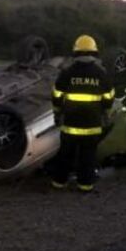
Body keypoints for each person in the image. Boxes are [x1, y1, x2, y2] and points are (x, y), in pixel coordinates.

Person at [50, 34, 115, 192]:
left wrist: (58, 113)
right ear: (94, 53)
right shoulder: (101, 73)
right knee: (88, 156)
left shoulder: (67, 72)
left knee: (65, 154)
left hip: (70, 124)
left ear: (76, 53)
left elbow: (57, 95)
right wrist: (105, 112)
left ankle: (59, 183)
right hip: (92, 124)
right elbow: (109, 96)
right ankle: (85, 185)